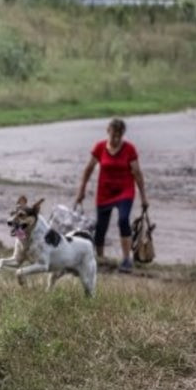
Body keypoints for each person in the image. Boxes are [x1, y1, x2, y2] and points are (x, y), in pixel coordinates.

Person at [74, 117, 149, 273]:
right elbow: (88, 169)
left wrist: (143, 197)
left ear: (122, 135)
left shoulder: (130, 149)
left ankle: (126, 259)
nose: (115, 139)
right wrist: (81, 191)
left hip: (125, 191)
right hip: (104, 192)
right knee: (101, 228)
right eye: (113, 135)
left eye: (118, 136)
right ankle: (99, 260)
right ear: (108, 132)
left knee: (123, 220)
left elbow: (137, 173)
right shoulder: (100, 147)